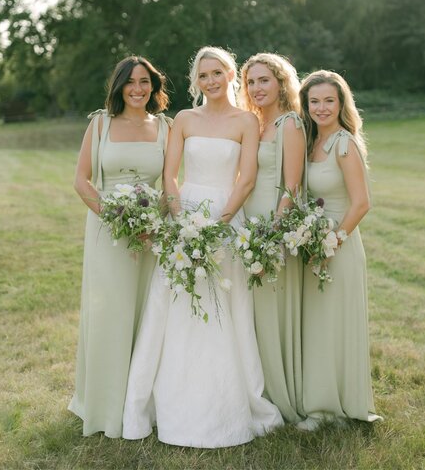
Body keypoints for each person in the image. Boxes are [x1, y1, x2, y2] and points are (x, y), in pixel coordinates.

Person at [122, 46, 282, 447]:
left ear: (231, 75)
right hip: (185, 216)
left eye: (217, 73)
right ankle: (165, 405)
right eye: (202, 75)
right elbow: (170, 175)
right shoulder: (184, 120)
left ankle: (226, 408)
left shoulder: (248, 121)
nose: (210, 81)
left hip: (227, 218)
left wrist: (221, 221)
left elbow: (245, 179)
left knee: (224, 306)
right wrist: (180, 220)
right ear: (196, 82)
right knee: (173, 308)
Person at [69, 56, 171, 437]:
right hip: (107, 232)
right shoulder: (100, 124)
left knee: (145, 314)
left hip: (150, 235)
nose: (138, 89)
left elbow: (170, 183)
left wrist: (150, 223)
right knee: (109, 313)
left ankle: (139, 403)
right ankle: (104, 404)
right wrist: (115, 218)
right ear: (119, 87)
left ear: (154, 87)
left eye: (145, 82)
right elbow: (82, 181)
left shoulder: (165, 127)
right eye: (131, 82)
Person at [296, 70, 381, 429]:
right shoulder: (311, 141)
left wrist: (331, 243)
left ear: (341, 103)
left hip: (339, 246)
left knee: (334, 324)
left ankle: (334, 408)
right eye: (314, 101)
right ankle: (319, 402)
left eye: (329, 100)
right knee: (317, 325)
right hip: (313, 242)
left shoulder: (344, 143)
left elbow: (361, 204)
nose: (321, 107)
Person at [239, 52, 307, 423]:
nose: (256, 88)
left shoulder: (289, 124)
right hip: (245, 222)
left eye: (263, 80)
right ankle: (253, 388)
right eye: (250, 82)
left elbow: (292, 186)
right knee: (248, 313)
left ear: (281, 83)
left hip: (270, 227)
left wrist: (272, 236)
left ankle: (279, 395)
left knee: (270, 312)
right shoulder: (252, 123)